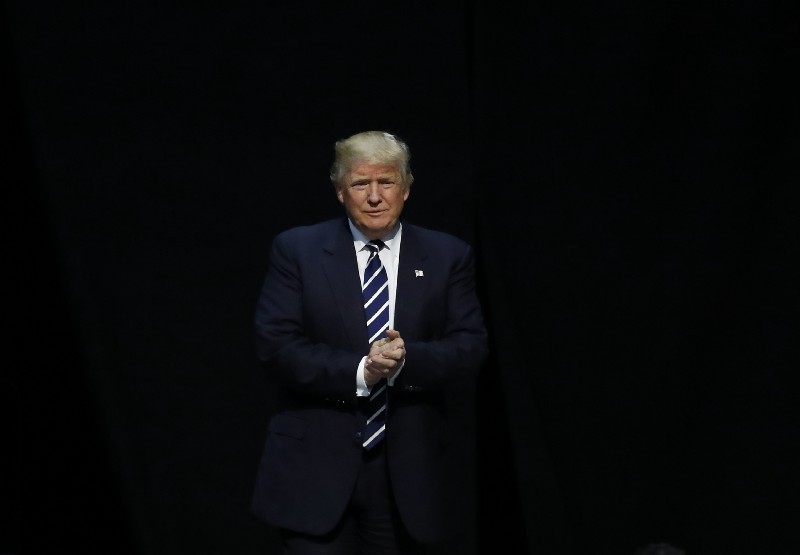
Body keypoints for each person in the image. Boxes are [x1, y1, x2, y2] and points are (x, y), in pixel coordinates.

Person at [251, 130, 488, 554]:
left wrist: (403, 361)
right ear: (341, 193)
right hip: (315, 471)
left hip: (409, 476)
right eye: (361, 184)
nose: (375, 196)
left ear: (407, 189)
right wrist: (363, 370)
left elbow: (469, 347)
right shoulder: (298, 250)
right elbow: (277, 345)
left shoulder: (448, 255)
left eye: (387, 182)